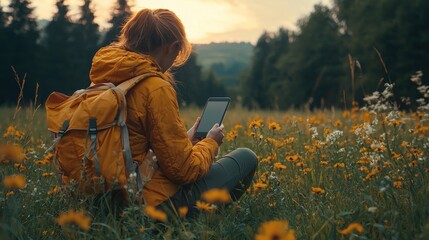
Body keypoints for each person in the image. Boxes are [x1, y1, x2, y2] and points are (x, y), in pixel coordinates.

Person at [89, 8, 258, 217]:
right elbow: (184, 171)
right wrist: (211, 143)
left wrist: (186, 140)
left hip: (104, 204)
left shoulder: (103, 79)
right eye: (178, 52)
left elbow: (133, 147)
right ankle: (195, 224)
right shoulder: (154, 87)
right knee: (246, 158)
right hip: (148, 207)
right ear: (173, 47)